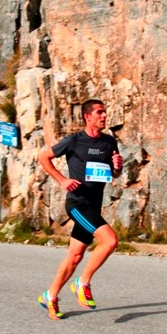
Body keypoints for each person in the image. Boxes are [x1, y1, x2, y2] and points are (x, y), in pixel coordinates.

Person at [37, 99, 123, 320]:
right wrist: (62, 180)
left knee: (75, 255)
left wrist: (117, 168)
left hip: (94, 206)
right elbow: (43, 157)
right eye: (100, 112)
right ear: (88, 117)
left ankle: (50, 296)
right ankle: (82, 282)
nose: (104, 116)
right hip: (77, 204)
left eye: (105, 112)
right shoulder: (74, 141)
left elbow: (112, 174)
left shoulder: (109, 142)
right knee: (110, 240)